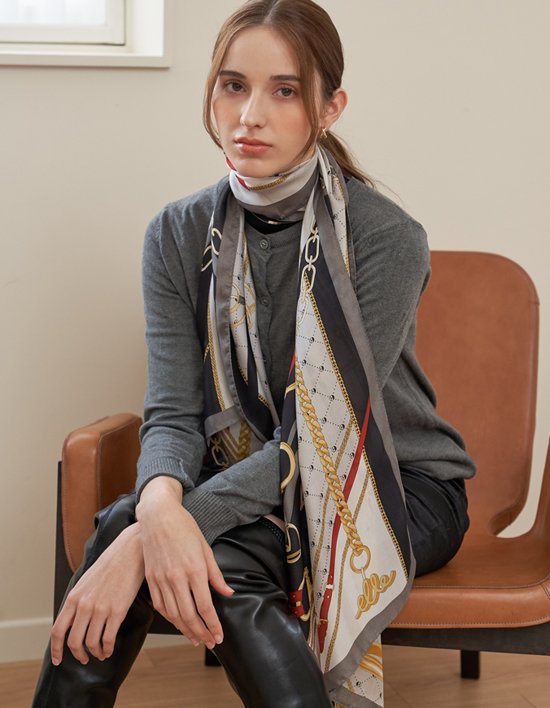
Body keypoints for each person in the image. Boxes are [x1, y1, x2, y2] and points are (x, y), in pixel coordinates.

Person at [32, 1, 475, 706]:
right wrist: (159, 510)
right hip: (252, 475)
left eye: (285, 90)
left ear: (329, 109)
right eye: (233, 85)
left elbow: (321, 442)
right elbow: (173, 414)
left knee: (176, 544)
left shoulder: (386, 238)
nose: (250, 115)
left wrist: (143, 536)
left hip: (392, 483)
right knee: (166, 529)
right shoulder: (176, 233)